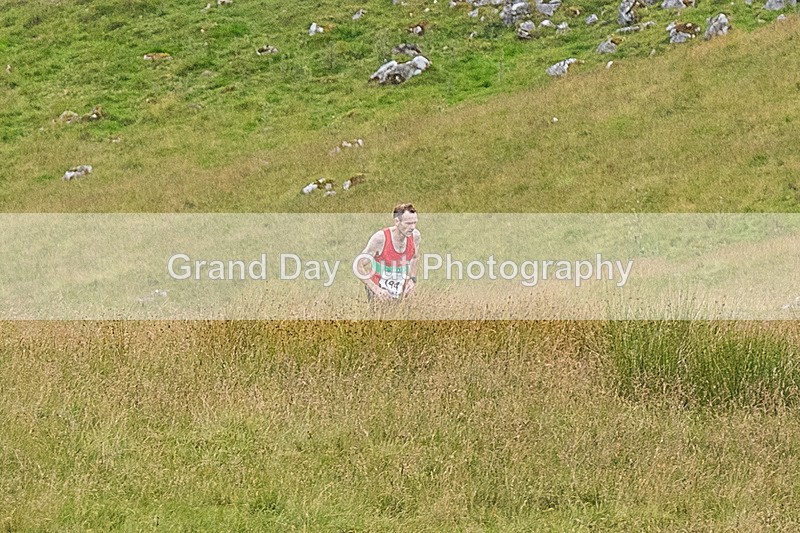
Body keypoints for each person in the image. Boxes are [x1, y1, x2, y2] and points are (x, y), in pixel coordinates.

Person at [356, 203, 421, 302]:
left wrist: (412, 279)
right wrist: (375, 289)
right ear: (397, 221)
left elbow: (415, 257)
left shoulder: (415, 236)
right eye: (408, 223)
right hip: (378, 289)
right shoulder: (380, 238)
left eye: (414, 223)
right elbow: (358, 265)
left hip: (400, 288)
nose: (412, 227)